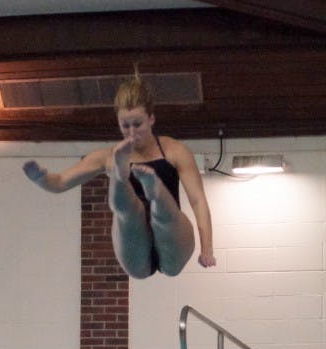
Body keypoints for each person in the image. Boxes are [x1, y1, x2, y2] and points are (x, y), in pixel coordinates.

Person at [23, 69, 215, 278]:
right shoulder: (107, 156)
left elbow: (197, 200)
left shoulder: (175, 151)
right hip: (135, 242)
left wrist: (207, 249)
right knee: (128, 212)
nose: (132, 132)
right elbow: (59, 182)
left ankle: (156, 191)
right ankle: (121, 176)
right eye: (125, 125)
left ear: (151, 118)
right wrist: (40, 178)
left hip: (173, 238)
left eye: (138, 124)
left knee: (166, 220)